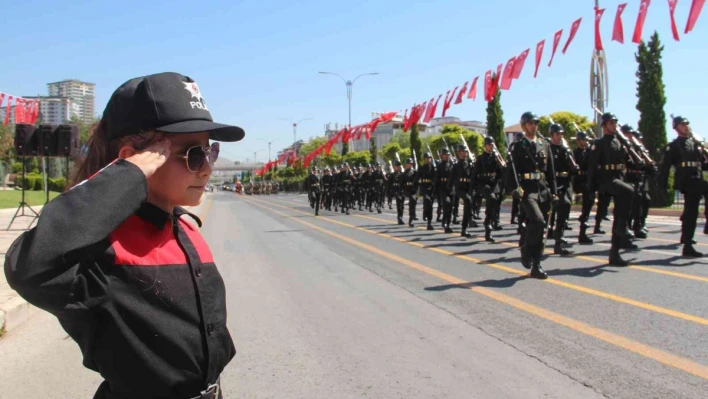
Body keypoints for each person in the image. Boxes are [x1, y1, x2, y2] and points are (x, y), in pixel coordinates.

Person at [5, 72, 241, 399]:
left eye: (209, 153)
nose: (206, 169)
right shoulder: (103, 246)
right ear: (135, 160)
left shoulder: (184, 227)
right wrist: (126, 176)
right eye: (193, 155)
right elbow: (29, 267)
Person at [587, 112, 637, 266]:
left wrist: (645, 166)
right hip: (607, 181)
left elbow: (628, 162)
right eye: (611, 123)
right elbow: (591, 167)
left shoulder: (620, 142)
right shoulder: (599, 143)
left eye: (615, 123)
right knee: (629, 191)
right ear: (604, 126)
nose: (614, 126)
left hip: (619, 179)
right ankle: (621, 238)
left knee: (620, 218)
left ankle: (615, 252)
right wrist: (590, 188)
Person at [505, 111, 551, 279]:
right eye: (530, 123)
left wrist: (554, 191)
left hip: (543, 190)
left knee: (542, 228)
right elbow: (511, 171)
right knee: (537, 221)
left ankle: (536, 264)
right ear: (524, 126)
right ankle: (525, 248)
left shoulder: (544, 144)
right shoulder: (517, 146)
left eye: (535, 123)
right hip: (527, 190)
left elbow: (550, 170)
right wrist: (514, 189)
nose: (534, 126)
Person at [659, 115, 708, 257]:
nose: (686, 126)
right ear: (676, 128)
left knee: (691, 212)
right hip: (686, 180)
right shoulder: (673, 146)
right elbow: (665, 167)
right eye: (682, 124)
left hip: (697, 178)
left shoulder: (696, 144)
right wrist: (662, 185)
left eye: (687, 124)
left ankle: (687, 244)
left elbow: (703, 164)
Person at [472, 137, 504, 242]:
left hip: (493, 184)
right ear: (485, 146)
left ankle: (489, 224)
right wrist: (472, 188)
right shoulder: (481, 158)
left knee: (496, 201)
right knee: (491, 199)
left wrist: (500, 162)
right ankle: (488, 222)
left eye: (492, 144)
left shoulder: (496, 157)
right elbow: (475, 174)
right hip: (483, 183)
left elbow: (501, 171)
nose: (491, 146)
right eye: (489, 144)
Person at [573, 131, 595, 244]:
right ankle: (582, 229)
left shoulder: (589, 152)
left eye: (586, 140)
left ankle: (583, 229)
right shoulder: (575, 153)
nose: (585, 142)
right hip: (579, 181)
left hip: (588, 180)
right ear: (578, 141)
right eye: (583, 140)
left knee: (589, 204)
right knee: (587, 200)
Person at [436, 148, 455, 233]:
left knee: (450, 207)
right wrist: (435, 191)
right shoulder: (439, 166)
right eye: (445, 155)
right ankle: (446, 224)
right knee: (447, 203)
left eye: (447, 155)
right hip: (442, 187)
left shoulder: (452, 165)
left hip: (450, 188)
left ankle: (447, 223)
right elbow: (436, 179)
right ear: (441, 156)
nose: (446, 156)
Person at [418, 152, 437, 230]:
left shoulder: (433, 168)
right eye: (426, 158)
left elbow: (435, 178)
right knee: (427, 200)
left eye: (429, 158)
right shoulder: (421, 168)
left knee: (430, 205)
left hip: (431, 187)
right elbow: (417, 178)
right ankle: (425, 212)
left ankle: (429, 222)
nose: (428, 159)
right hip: (424, 187)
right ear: (424, 159)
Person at [402, 158, 419, 227]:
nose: (410, 165)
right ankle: (410, 219)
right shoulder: (404, 173)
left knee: (413, 202)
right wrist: (401, 191)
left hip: (413, 189)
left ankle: (413, 215)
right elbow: (401, 183)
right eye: (409, 163)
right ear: (406, 164)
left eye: (411, 163)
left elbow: (418, 180)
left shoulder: (414, 172)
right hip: (407, 190)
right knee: (412, 200)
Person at [388, 160, 405, 225]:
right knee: (399, 204)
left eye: (399, 166)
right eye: (397, 166)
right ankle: (399, 217)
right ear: (394, 167)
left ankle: (400, 217)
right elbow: (389, 185)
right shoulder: (392, 175)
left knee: (402, 205)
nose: (398, 167)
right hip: (395, 191)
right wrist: (389, 193)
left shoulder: (402, 174)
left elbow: (404, 183)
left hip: (401, 191)